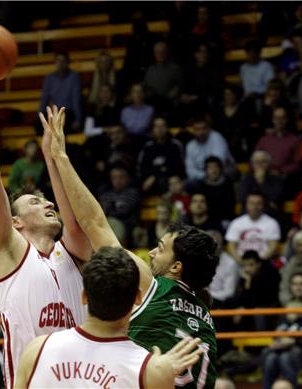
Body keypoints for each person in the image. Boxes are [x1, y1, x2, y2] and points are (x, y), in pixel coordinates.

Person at [44, 107, 219, 388]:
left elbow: (94, 223)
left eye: (160, 248)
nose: (150, 253)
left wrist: (60, 157)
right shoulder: (204, 315)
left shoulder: (153, 287)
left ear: (177, 267)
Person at [0, 64, 92, 388]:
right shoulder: (9, 251)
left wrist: (53, 155)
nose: (48, 204)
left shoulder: (71, 252)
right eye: (34, 202)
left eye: (46, 201)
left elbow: (78, 220)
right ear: (15, 223)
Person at [15, 247, 204, 388]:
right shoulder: (149, 371)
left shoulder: (37, 350)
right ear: (137, 298)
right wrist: (161, 374)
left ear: (84, 296)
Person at [262, 272, 302, 389]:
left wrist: (295, 341)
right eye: (294, 284)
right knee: (269, 357)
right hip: (283, 349)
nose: (298, 287)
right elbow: (279, 329)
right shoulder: (286, 305)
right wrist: (279, 340)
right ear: (290, 287)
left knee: (285, 358)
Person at [226, 192, 281, 263]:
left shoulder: (272, 223)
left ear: (263, 205)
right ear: (246, 205)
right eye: (251, 203)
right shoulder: (236, 222)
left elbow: (273, 246)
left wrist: (258, 263)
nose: (255, 206)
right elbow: (231, 246)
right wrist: (242, 262)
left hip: (263, 263)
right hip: (240, 262)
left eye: (258, 203)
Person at [232, 250, 280, 330]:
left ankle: (261, 340)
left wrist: (245, 307)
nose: (247, 269)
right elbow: (241, 299)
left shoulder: (270, 273)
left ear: (258, 264)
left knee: (257, 312)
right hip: (252, 307)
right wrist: (247, 283)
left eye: (251, 265)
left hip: (269, 305)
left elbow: (263, 299)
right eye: (244, 266)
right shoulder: (245, 277)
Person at [136, 116, 185, 194]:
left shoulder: (175, 145)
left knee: (164, 180)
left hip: (171, 179)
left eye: (163, 126)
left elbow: (176, 167)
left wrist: (155, 175)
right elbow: (142, 168)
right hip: (151, 181)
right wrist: (156, 173)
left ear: (167, 128)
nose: (160, 129)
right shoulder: (147, 146)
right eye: (157, 126)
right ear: (152, 129)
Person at [39, 52, 82, 132]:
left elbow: (76, 99)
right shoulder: (49, 78)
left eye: (63, 61)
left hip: (68, 113)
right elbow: (44, 99)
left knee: (64, 124)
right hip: (53, 113)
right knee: (39, 125)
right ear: (55, 63)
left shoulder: (74, 77)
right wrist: (40, 115)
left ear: (68, 62)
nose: (61, 63)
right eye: (58, 60)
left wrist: (78, 119)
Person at [186, 156, 236, 224]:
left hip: (224, 219)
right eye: (210, 167)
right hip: (206, 219)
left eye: (216, 167)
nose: (213, 170)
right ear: (205, 170)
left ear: (220, 169)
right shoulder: (201, 185)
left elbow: (230, 207)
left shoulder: (227, 184)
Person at [185, 115, 236, 181]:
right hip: (203, 177)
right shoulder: (190, 146)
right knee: (190, 183)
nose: (201, 132)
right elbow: (190, 171)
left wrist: (208, 175)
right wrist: (205, 176)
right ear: (193, 130)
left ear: (209, 128)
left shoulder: (217, 138)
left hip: (224, 172)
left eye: (203, 128)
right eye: (197, 129)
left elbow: (217, 165)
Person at [255, 106, 301, 177]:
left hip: (284, 176)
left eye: (282, 118)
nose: (279, 121)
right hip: (265, 175)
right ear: (273, 120)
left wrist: (280, 171)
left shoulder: (294, 140)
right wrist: (263, 169)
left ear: (286, 120)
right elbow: (254, 159)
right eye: (276, 118)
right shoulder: (264, 140)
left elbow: (297, 164)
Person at [143, 41, 183, 116]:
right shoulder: (150, 69)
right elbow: (145, 85)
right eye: (157, 52)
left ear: (167, 53)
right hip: (153, 100)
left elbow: (181, 85)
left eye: (163, 52)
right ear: (154, 54)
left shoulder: (175, 68)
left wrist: (175, 92)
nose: (160, 54)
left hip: (169, 100)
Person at [208, 230, 239, 308]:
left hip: (219, 303)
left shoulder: (230, 264)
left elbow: (229, 292)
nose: (212, 247)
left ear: (221, 246)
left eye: (216, 244)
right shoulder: (196, 260)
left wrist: (207, 295)